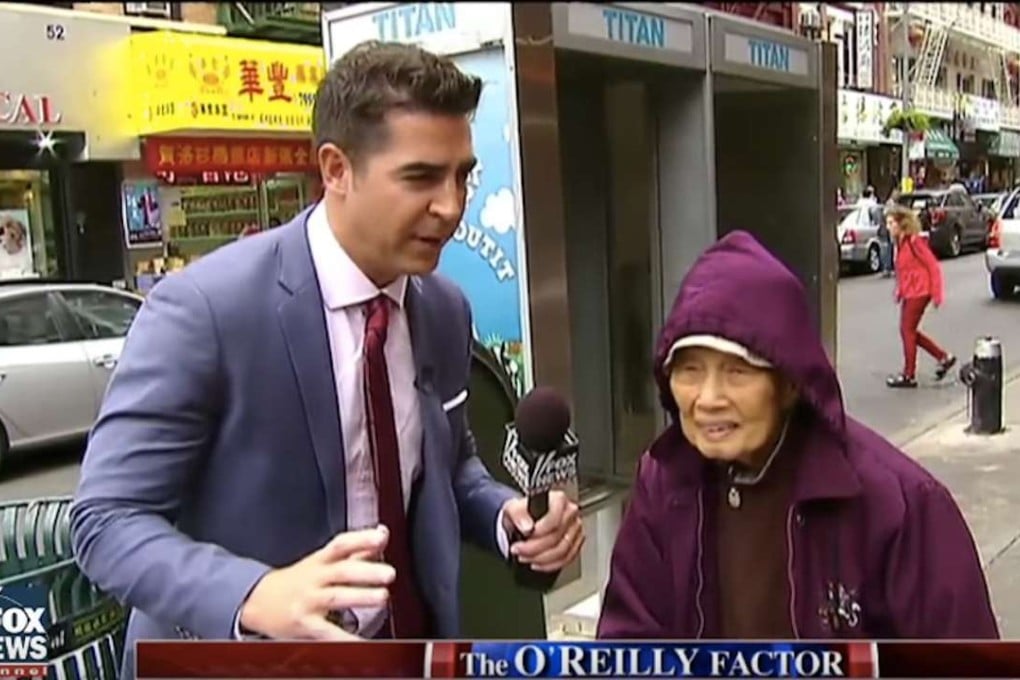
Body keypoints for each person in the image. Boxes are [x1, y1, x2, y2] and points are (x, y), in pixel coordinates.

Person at [71, 40, 583, 679]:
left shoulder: (444, 310)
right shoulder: (205, 309)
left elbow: (449, 469)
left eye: (462, 177)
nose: (451, 208)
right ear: (336, 169)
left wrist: (507, 520)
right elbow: (105, 521)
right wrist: (253, 595)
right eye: (420, 177)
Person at [596, 230, 997, 639]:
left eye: (738, 371)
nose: (709, 398)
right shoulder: (663, 484)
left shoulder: (900, 506)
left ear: (789, 384)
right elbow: (628, 644)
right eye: (690, 370)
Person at [885, 205, 955, 388]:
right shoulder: (900, 244)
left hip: (920, 291)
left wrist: (937, 293)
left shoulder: (914, 242)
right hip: (911, 292)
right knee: (910, 332)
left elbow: (933, 266)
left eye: (891, 223)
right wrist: (900, 291)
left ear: (902, 224)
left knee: (906, 330)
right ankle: (943, 357)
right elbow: (904, 271)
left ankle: (909, 374)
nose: (888, 227)